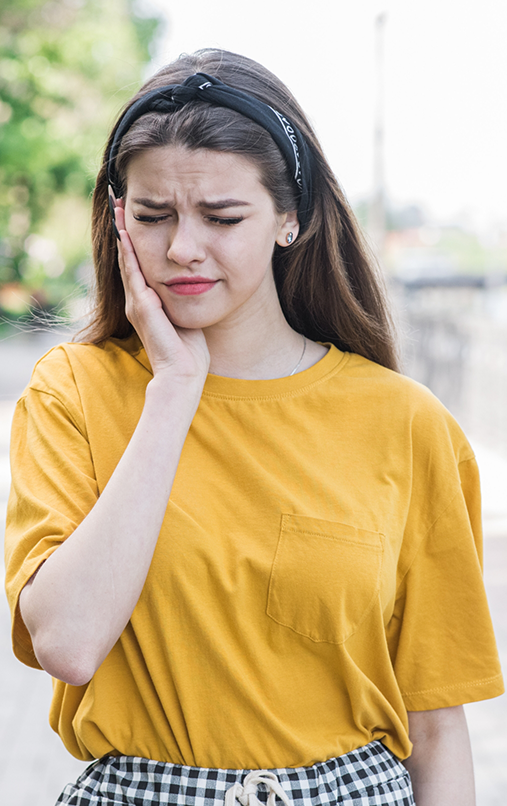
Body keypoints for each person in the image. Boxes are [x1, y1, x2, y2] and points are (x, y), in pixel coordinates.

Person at [4, 48, 504, 806]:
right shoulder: (73, 392)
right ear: (115, 220)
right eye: (152, 215)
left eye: (221, 216)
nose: (181, 248)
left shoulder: (405, 424)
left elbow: (435, 729)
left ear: (290, 218)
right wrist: (174, 388)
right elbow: (68, 643)